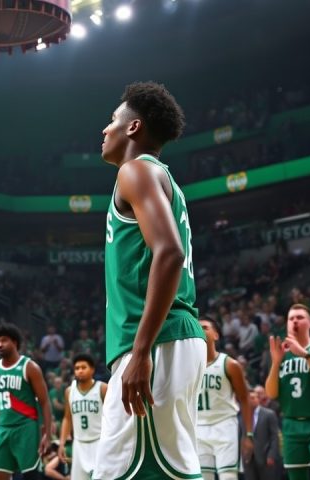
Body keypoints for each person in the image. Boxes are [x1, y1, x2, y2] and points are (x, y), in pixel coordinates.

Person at [94, 82, 206, 480]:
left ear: (133, 127)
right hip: (169, 338)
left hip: (155, 341)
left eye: (112, 120)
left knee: (128, 471)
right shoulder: (160, 178)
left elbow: (170, 253)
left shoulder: (136, 170)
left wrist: (141, 352)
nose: (105, 129)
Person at [265, 304, 310, 480]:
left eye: (300, 317)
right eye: (291, 318)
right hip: (291, 424)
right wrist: (275, 363)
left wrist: (305, 355)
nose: (295, 321)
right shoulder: (279, 353)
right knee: (296, 477)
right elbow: (271, 393)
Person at [0, 323, 53, 480]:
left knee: (31, 476)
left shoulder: (30, 367)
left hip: (26, 429)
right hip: (2, 430)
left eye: (4, 340)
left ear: (15, 342)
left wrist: (47, 435)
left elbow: (45, 402)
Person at [196, 317, 254, 480]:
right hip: (198, 427)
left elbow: (244, 399)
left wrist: (249, 434)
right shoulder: (188, 366)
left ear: (216, 335)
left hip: (225, 425)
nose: (200, 330)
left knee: (228, 477)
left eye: (205, 327)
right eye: (197, 327)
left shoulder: (229, 364)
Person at [58, 353, 107, 480]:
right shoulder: (69, 391)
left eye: (83, 367)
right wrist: (62, 443)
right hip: (79, 444)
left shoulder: (102, 388)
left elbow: (112, 416)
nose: (80, 371)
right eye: (77, 368)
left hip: (99, 442)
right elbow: (67, 418)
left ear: (92, 369)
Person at [243, 388, 281, 480]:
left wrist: (272, 455)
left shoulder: (269, 414)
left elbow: (274, 437)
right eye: (250, 398)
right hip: (248, 459)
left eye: (254, 398)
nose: (252, 400)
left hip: (265, 457)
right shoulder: (242, 415)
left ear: (258, 399)